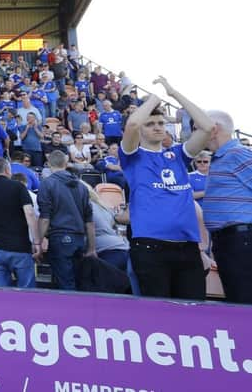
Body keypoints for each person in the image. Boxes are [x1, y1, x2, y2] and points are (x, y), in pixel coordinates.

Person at [119, 76, 214, 300]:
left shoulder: (178, 155)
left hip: (188, 247)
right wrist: (154, 99)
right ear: (141, 130)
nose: (157, 127)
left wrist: (173, 93)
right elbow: (132, 124)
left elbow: (208, 127)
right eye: (150, 124)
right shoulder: (133, 157)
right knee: (159, 318)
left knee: (193, 313)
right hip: (151, 248)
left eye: (161, 123)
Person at [204, 110, 252, 303]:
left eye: (199, 128)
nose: (196, 134)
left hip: (241, 240)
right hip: (229, 241)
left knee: (244, 301)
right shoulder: (221, 157)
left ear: (214, 129)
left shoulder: (237, 153)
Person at [0, 157, 40, 288]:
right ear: (7, 169)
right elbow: (30, 214)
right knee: (27, 293)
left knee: (0, 294)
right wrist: (36, 241)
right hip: (20, 247)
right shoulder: (18, 187)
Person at [38, 151, 96, 290]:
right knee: (77, 282)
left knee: (65, 284)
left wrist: (38, 242)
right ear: (65, 163)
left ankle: (69, 311)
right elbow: (89, 221)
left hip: (60, 237)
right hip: (79, 238)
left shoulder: (47, 183)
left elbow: (45, 218)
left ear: (48, 164)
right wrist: (92, 248)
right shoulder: (82, 186)